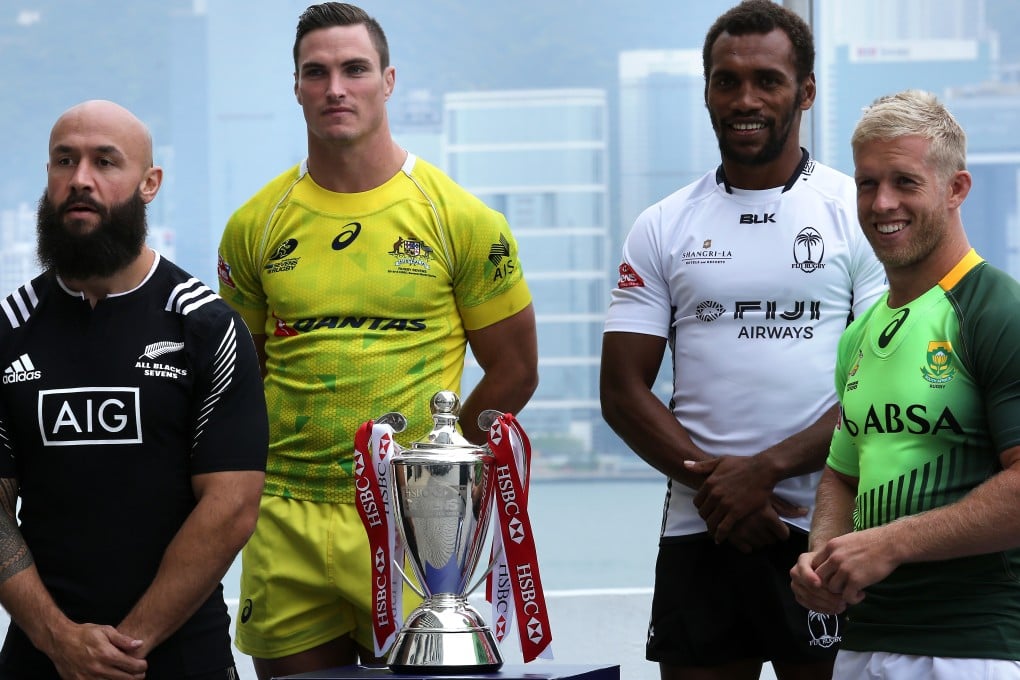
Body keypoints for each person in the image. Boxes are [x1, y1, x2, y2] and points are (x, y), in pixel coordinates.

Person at [216, 3, 538, 677]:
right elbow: (241, 383)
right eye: (317, 72)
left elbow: (514, 369)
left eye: (354, 69)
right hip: (286, 518)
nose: (336, 87)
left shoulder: (461, 219)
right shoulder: (254, 225)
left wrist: (444, 485)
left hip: (409, 526)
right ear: (297, 85)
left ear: (387, 80)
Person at [600, 1, 887, 678]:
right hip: (703, 530)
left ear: (806, 92)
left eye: (768, 80)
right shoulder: (662, 225)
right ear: (706, 91)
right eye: (726, 81)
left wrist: (763, 474)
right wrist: (723, 493)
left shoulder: (858, 215)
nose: (745, 99)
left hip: (827, 531)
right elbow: (620, 390)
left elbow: (878, 384)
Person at [0, 99, 268, 679]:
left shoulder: (207, 327)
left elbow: (232, 506)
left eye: (105, 162)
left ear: (150, 183)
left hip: (177, 656)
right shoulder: (8, 330)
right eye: (64, 161)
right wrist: (60, 641)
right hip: (40, 657)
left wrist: (120, 649)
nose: (81, 180)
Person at [789, 89, 1020, 679]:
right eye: (867, 184)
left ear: (956, 189)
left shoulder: (997, 309)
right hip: (862, 644)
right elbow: (842, 476)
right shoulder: (860, 332)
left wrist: (890, 543)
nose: (882, 203)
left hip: (972, 647)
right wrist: (821, 558)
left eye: (905, 182)